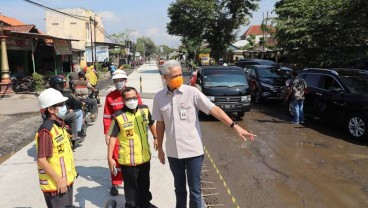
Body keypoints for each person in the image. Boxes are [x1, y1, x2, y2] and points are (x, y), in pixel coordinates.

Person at [152, 60, 256, 208]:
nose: (179, 78)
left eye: (180, 74)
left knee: (195, 190)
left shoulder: (192, 92)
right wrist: (160, 147)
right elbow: (160, 123)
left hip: (193, 151)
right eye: (175, 75)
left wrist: (235, 126)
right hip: (173, 152)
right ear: (165, 78)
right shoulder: (159, 97)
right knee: (179, 189)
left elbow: (214, 110)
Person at [107, 87, 158, 208]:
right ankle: (131, 205)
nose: (132, 100)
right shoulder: (118, 116)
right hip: (128, 160)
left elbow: (151, 124)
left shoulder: (144, 110)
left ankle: (145, 203)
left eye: (134, 97)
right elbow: (113, 137)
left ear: (137, 97)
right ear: (123, 100)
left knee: (144, 184)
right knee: (131, 187)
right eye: (128, 98)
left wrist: (156, 138)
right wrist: (109, 157)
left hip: (144, 156)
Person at [103, 69, 144, 196]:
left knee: (132, 156)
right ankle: (115, 183)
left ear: (125, 81)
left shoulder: (132, 93)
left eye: (120, 80)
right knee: (115, 157)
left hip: (132, 131)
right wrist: (107, 133)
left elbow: (141, 111)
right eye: (116, 81)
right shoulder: (110, 97)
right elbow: (106, 116)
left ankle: (131, 182)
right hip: (116, 132)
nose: (118, 83)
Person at [35, 88, 78, 208]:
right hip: (55, 185)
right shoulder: (46, 130)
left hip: (65, 182)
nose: (64, 107)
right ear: (51, 109)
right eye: (61, 104)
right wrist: (58, 180)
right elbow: (42, 160)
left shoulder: (59, 125)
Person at [49, 76, 84, 140]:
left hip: (48, 117)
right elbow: (74, 104)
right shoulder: (65, 94)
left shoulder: (48, 94)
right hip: (59, 117)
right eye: (61, 84)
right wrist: (80, 104)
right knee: (78, 112)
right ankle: (76, 134)